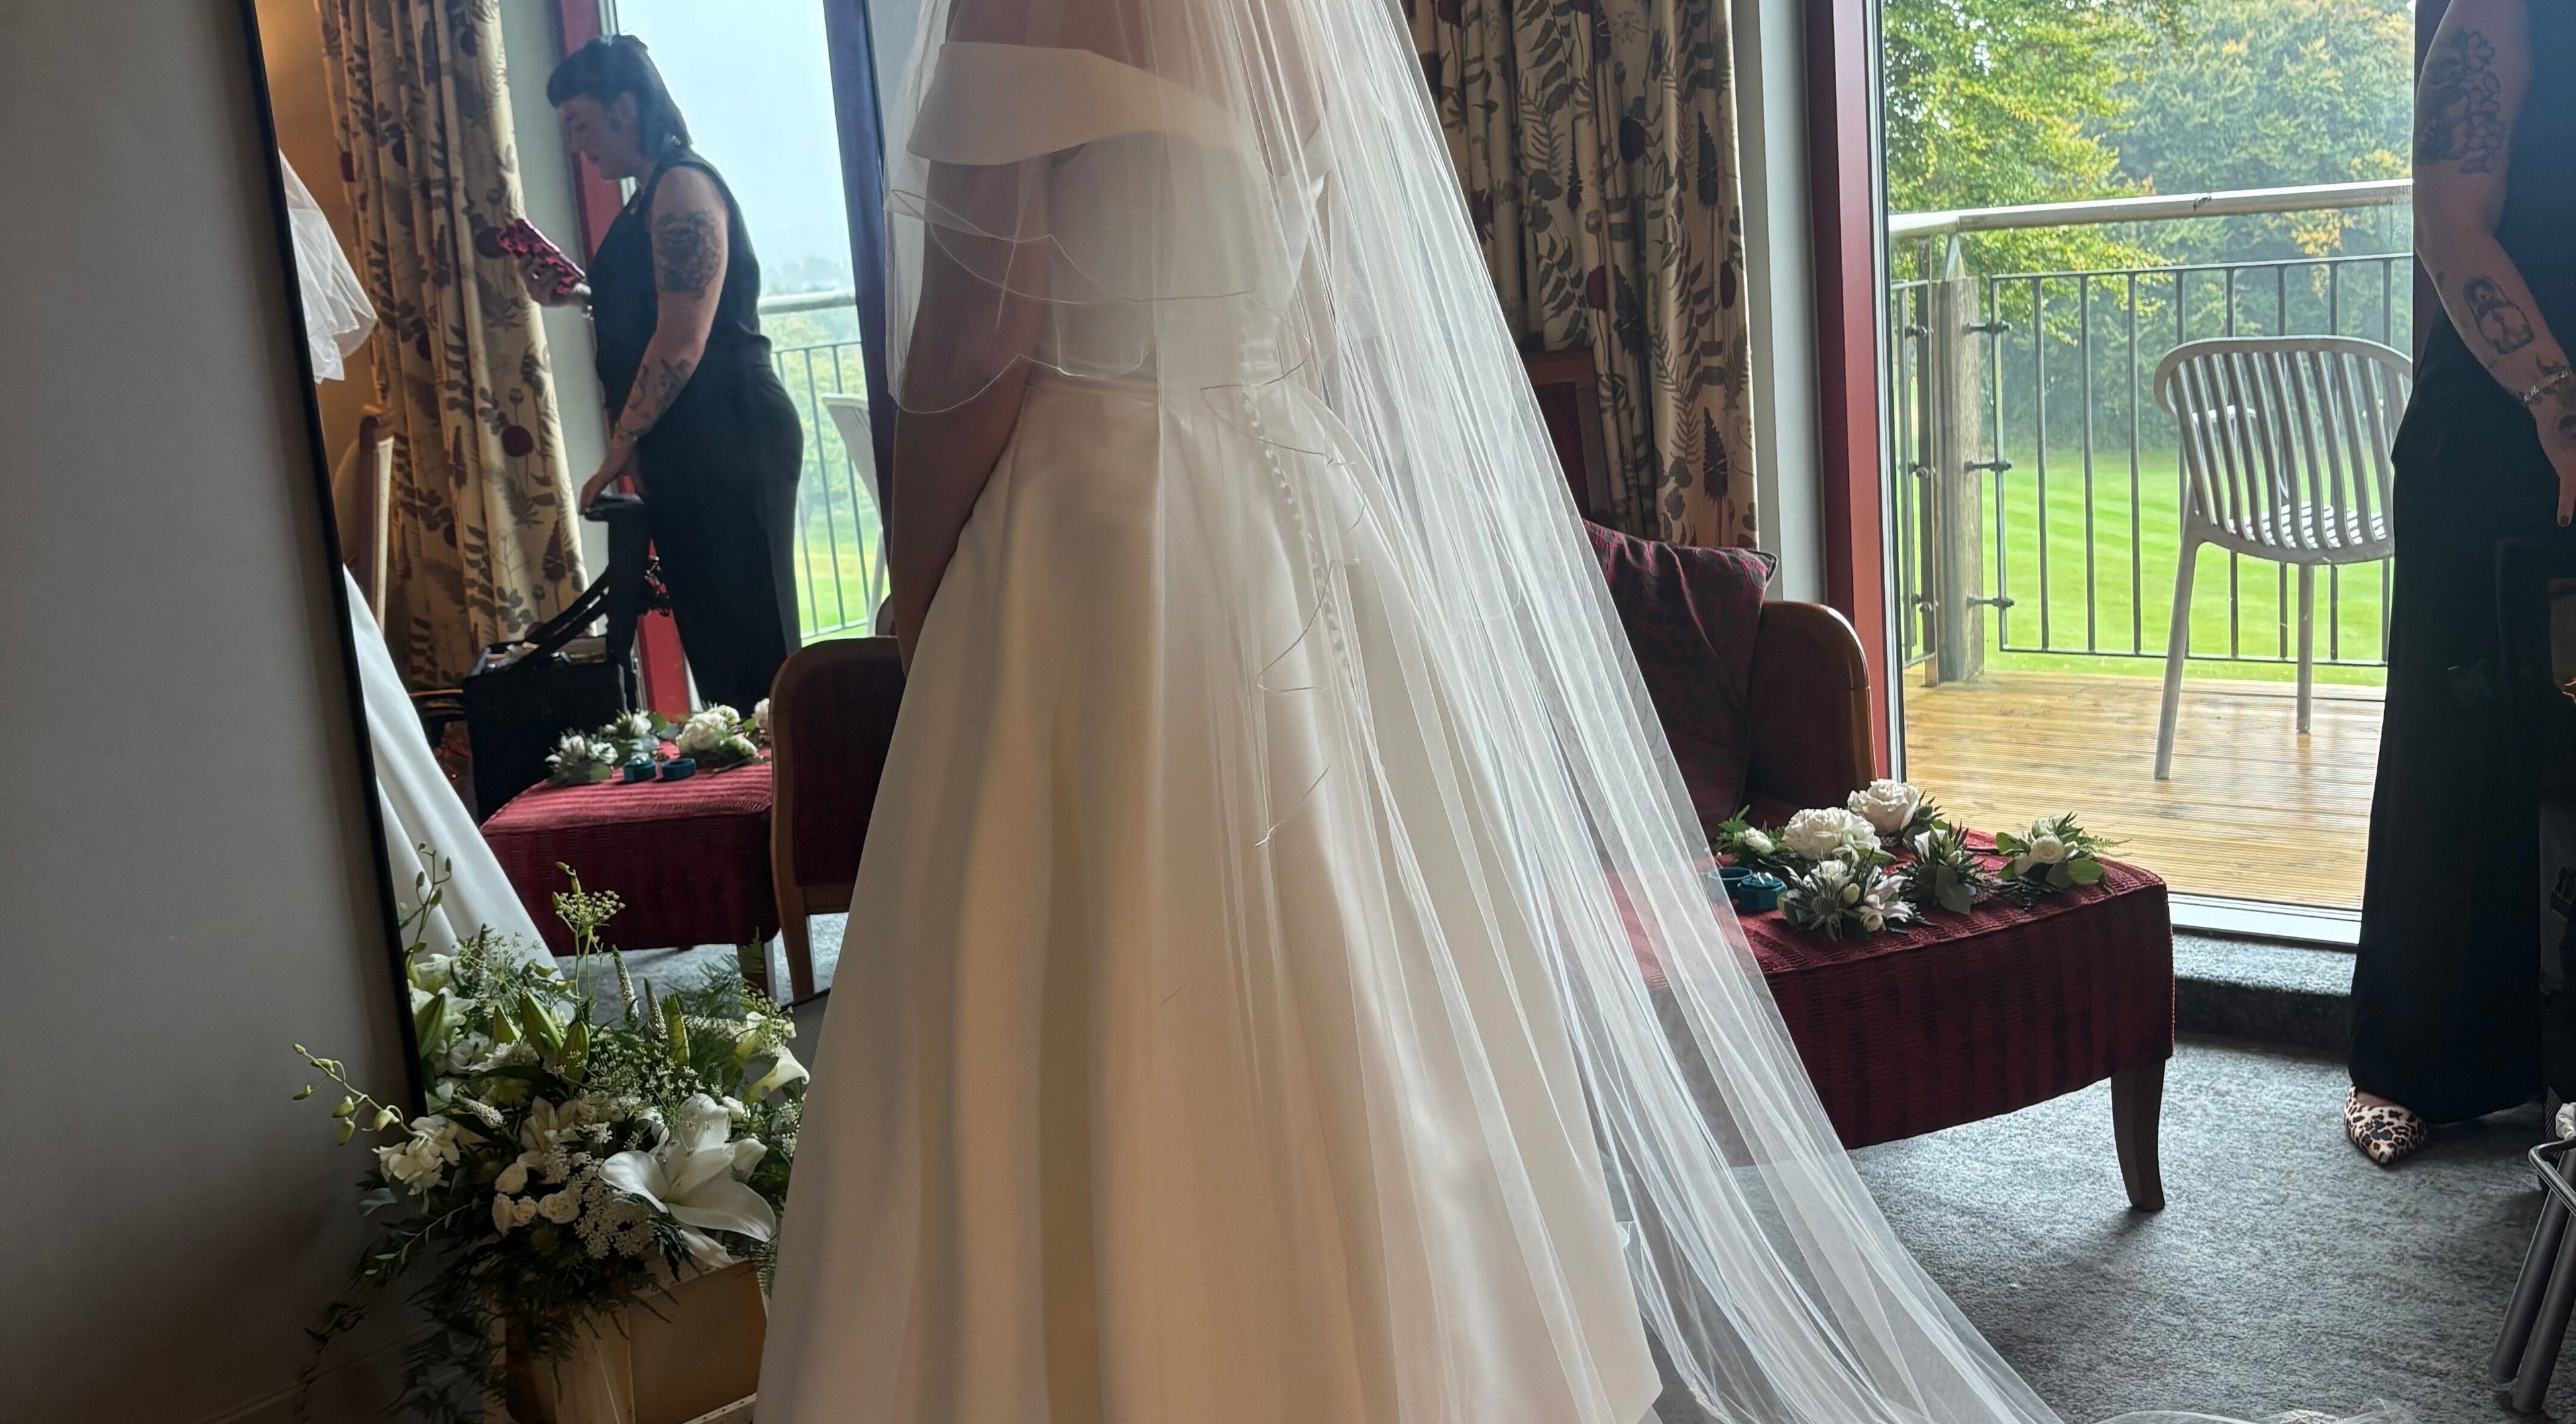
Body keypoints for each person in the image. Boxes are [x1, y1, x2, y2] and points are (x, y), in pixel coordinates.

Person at [751, 0, 2384, 1416]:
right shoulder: (1312, 25)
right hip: (1279, 504)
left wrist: (913, 587)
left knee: (1088, 963)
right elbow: (1313, 312)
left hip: (1103, 525)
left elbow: (975, 338)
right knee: (1347, 973)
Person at [2347, 0, 2576, 1166]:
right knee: (2458, 757)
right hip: (2492, 444)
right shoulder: (2501, 15)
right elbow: (2450, 221)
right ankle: (2406, 1063)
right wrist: (2559, 405)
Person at [529, 37, 804, 716]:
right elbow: (658, 306)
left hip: (729, 435)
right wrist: (577, 297)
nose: (577, 145)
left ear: (625, 107)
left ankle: (796, 804)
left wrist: (617, 451)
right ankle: (758, 803)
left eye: (581, 124)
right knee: (721, 646)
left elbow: (683, 337)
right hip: (696, 441)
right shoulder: (650, 195)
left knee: (754, 647)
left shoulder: (682, 186)